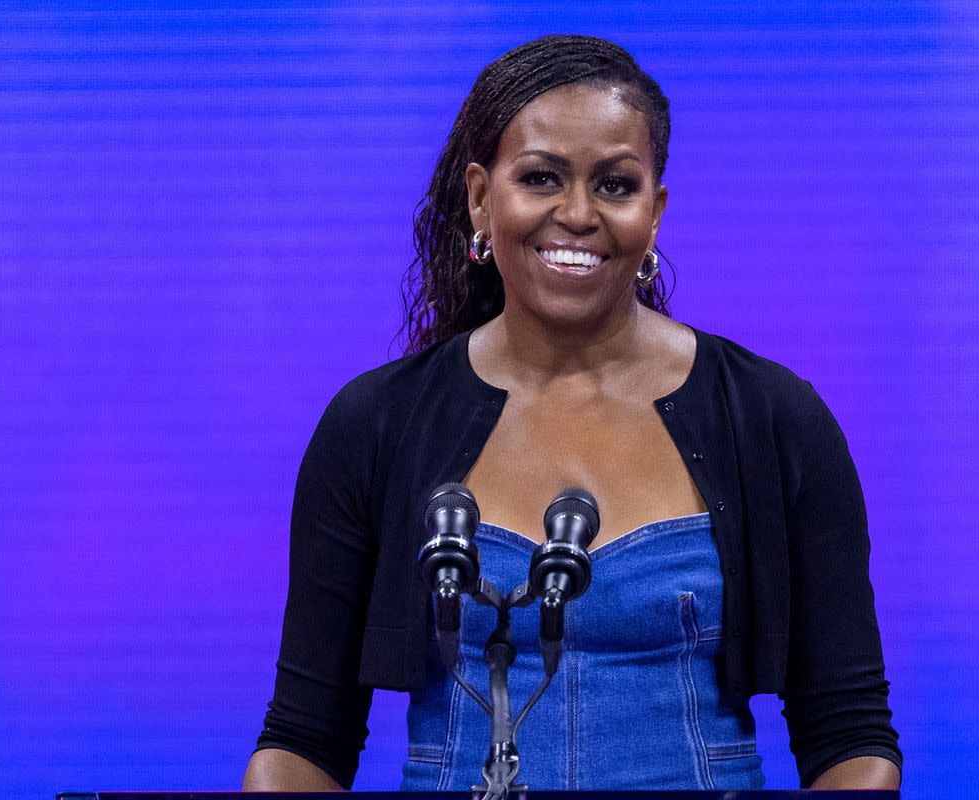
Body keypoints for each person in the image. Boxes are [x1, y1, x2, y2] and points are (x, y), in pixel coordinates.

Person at [243, 34, 901, 792]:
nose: (578, 213)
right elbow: (303, 739)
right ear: (481, 198)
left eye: (616, 186)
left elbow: (852, 738)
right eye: (542, 177)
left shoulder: (773, 417)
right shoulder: (374, 424)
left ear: (655, 212)